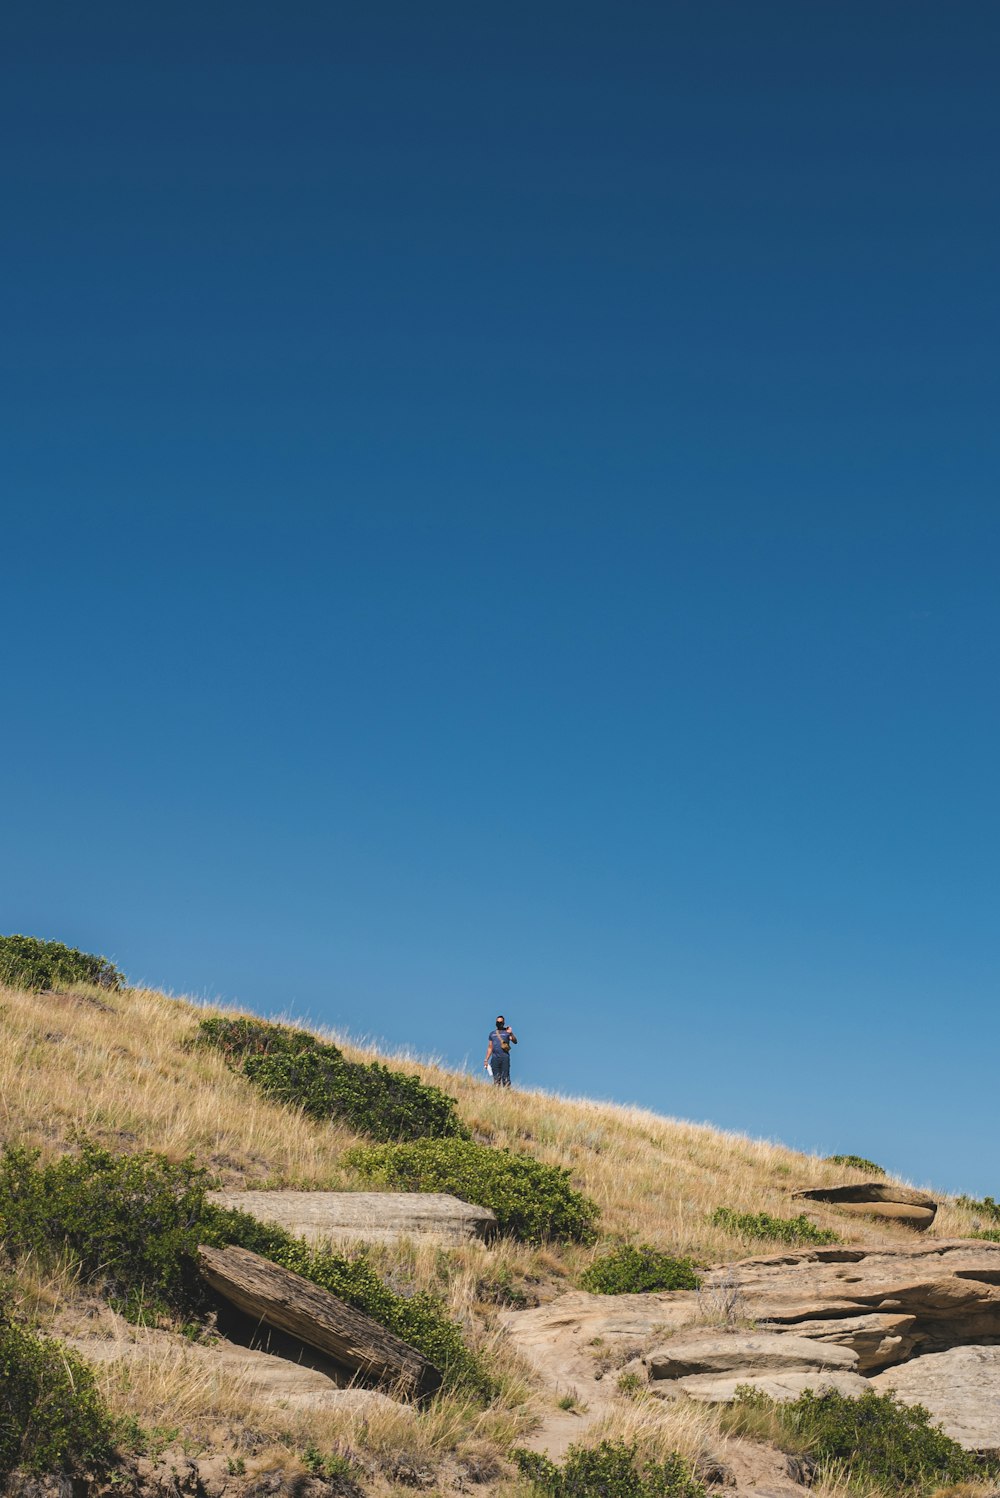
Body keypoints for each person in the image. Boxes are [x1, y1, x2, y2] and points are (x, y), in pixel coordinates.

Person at [484, 1014, 517, 1087]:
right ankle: (497, 1094)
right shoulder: (492, 1034)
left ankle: (507, 1094)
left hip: (504, 1058)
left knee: (505, 1078)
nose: (499, 1023)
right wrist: (486, 1059)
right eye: (497, 1022)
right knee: (496, 1078)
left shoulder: (507, 1032)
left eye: (500, 1022)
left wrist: (511, 1033)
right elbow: (490, 1047)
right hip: (495, 1058)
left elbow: (515, 1041)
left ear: (503, 1023)